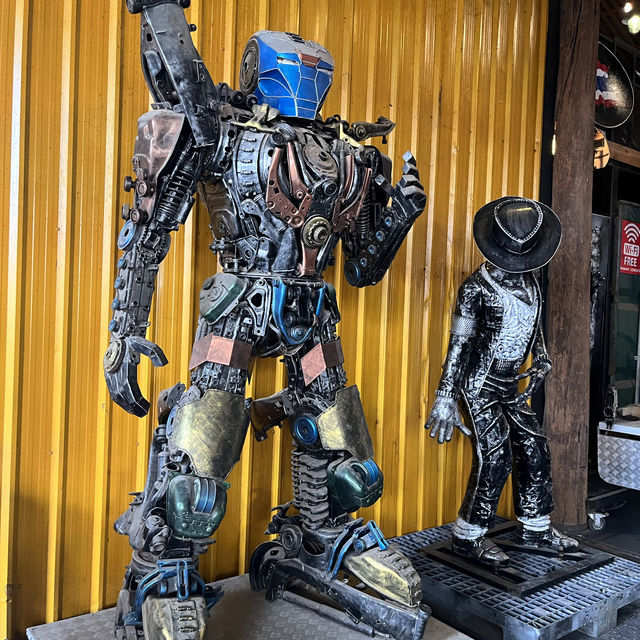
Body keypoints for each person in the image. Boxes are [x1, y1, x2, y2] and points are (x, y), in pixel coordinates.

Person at [425, 196, 578, 567]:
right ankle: (468, 535)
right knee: (495, 456)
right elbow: (459, 344)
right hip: (479, 384)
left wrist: (541, 357)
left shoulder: (532, 282)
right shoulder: (474, 289)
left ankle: (535, 527)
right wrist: (445, 396)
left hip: (511, 384)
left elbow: (534, 326)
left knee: (534, 447)